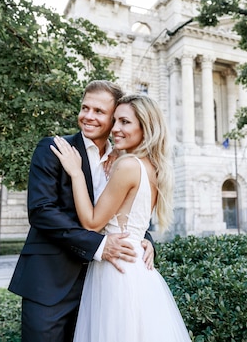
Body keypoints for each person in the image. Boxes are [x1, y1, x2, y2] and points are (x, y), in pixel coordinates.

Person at [8, 80, 155, 342]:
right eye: (85, 107)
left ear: (114, 118)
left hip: (101, 287)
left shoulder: (122, 161)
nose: (88, 116)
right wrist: (99, 245)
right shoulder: (54, 149)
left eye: (99, 112)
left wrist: (145, 240)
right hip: (50, 283)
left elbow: (127, 210)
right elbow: (41, 211)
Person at [51, 94, 191, 342]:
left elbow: (92, 223)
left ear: (145, 127)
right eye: (115, 121)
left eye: (125, 122)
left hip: (117, 269)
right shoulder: (151, 166)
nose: (115, 129)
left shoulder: (128, 166)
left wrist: (76, 173)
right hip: (136, 264)